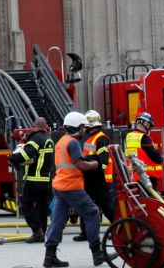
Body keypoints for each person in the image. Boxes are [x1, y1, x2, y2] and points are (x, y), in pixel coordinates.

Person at [43, 111, 110, 268]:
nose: (84, 131)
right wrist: (95, 164)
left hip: (59, 186)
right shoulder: (73, 143)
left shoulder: (61, 141)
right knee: (92, 212)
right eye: (83, 128)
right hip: (71, 186)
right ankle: (97, 253)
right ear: (78, 127)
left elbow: (72, 162)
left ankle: (50, 255)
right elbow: (80, 165)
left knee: (58, 220)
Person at [8, 116, 54, 243]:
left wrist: (12, 159)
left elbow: (25, 154)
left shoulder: (36, 139)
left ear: (34, 125)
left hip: (34, 179)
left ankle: (37, 230)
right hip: (45, 179)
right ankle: (42, 231)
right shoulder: (49, 139)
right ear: (45, 126)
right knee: (42, 206)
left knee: (27, 204)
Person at [76, 111, 114, 243]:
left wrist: (92, 170)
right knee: (86, 205)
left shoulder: (101, 139)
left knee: (105, 206)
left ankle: (118, 229)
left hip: (99, 178)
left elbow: (103, 161)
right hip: (90, 177)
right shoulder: (91, 139)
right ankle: (85, 232)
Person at [125, 112, 164, 187]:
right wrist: (161, 158)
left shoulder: (129, 136)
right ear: (147, 125)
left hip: (134, 176)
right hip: (147, 177)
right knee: (151, 198)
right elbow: (155, 156)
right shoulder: (144, 138)